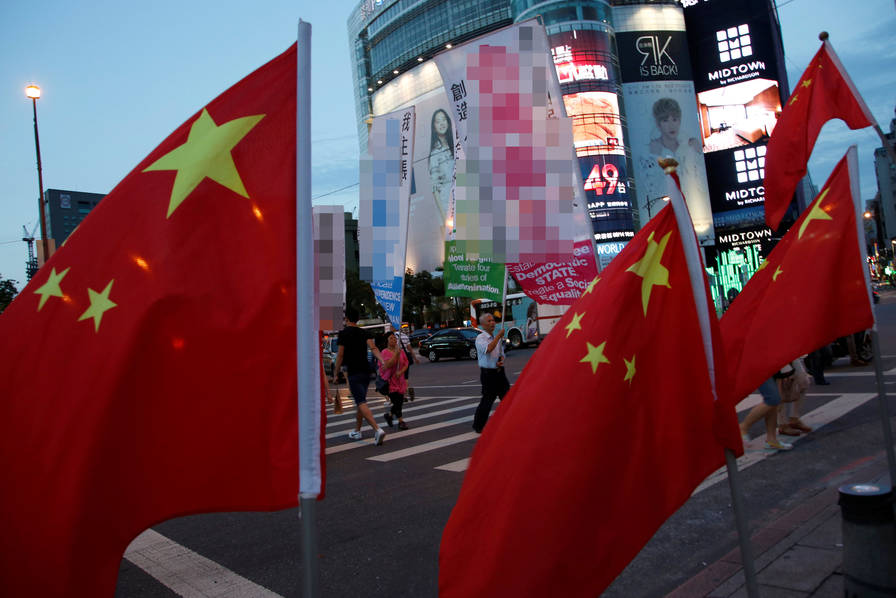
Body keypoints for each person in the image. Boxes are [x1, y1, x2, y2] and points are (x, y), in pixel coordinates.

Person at [332, 307, 387, 445]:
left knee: (361, 402)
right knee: (360, 401)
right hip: (366, 372)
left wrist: (335, 373)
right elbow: (373, 348)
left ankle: (377, 429)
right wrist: (382, 361)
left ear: (346, 319)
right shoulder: (364, 332)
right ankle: (357, 431)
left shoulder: (343, 333)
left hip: (354, 372)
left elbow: (340, 355)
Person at [473, 313, 511, 434]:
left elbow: (501, 354)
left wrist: (501, 360)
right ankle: (478, 425)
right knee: (487, 400)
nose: (492, 323)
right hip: (488, 374)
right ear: (483, 325)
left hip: (499, 372)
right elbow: (488, 349)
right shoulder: (481, 338)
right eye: (489, 321)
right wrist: (498, 336)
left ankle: (510, 422)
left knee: (507, 398)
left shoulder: (496, 338)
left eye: (493, 320)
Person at [738, 377, 793, 451]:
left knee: (773, 399)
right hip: (758, 370)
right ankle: (743, 427)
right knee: (773, 398)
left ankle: (772, 439)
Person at [428, 108, 455, 222]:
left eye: (444, 120)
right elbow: (435, 189)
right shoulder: (435, 153)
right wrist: (445, 218)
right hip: (448, 204)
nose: (442, 123)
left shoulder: (455, 145)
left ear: (448, 122)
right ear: (434, 127)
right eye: (438, 121)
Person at [775, 358, 813, 437]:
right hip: (775, 357)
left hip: (790, 355)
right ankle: (782, 424)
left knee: (803, 382)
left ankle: (794, 418)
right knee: (780, 388)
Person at [380, 333, 410, 430]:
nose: (394, 340)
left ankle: (389, 415)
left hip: (400, 380)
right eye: (391, 338)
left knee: (399, 402)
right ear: (387, 341)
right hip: (390, 382)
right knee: (397, 402)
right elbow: (388, 365)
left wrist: (401, 371)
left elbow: (406, 363)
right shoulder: (384, 352)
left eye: (395, 338)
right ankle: (401, 422)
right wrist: (396, 354)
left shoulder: (401, 351)